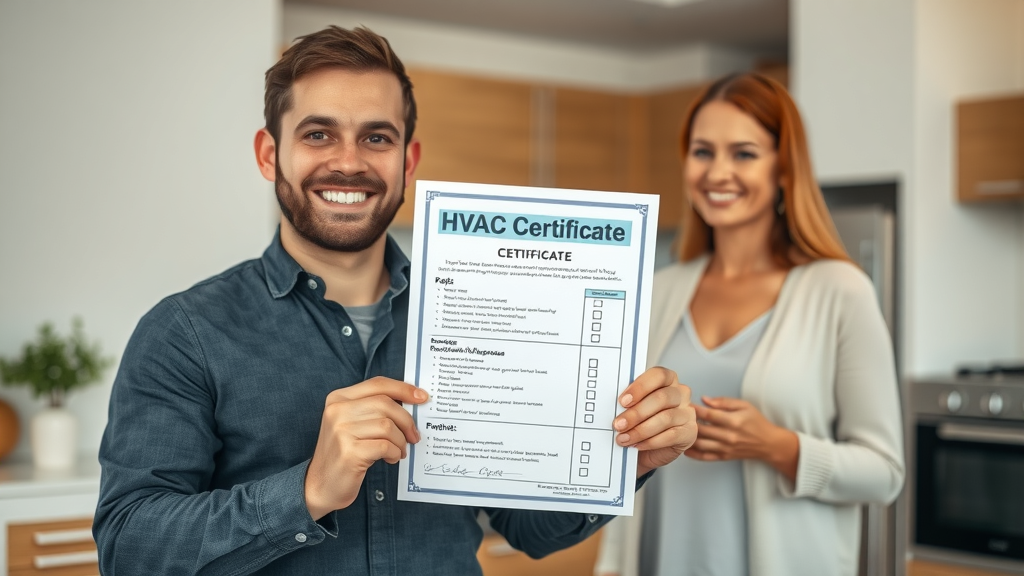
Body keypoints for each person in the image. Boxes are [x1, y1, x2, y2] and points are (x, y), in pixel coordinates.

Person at [92, 25, 697, 576]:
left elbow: (528, 530)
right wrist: (307, 490)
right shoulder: (184, 332)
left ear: (408, 160)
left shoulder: (486, 313)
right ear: (269, 154)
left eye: (376, 137)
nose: (349, 162)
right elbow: (129, 549)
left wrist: (628, 461)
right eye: (318, 133)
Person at [594, 72, 905, 576]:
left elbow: (885, 474)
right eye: (702, 152)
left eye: (743, 153)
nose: (718, 172)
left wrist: (776, 445)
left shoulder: (840, 291)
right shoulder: (658, 288)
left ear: (784, 168)